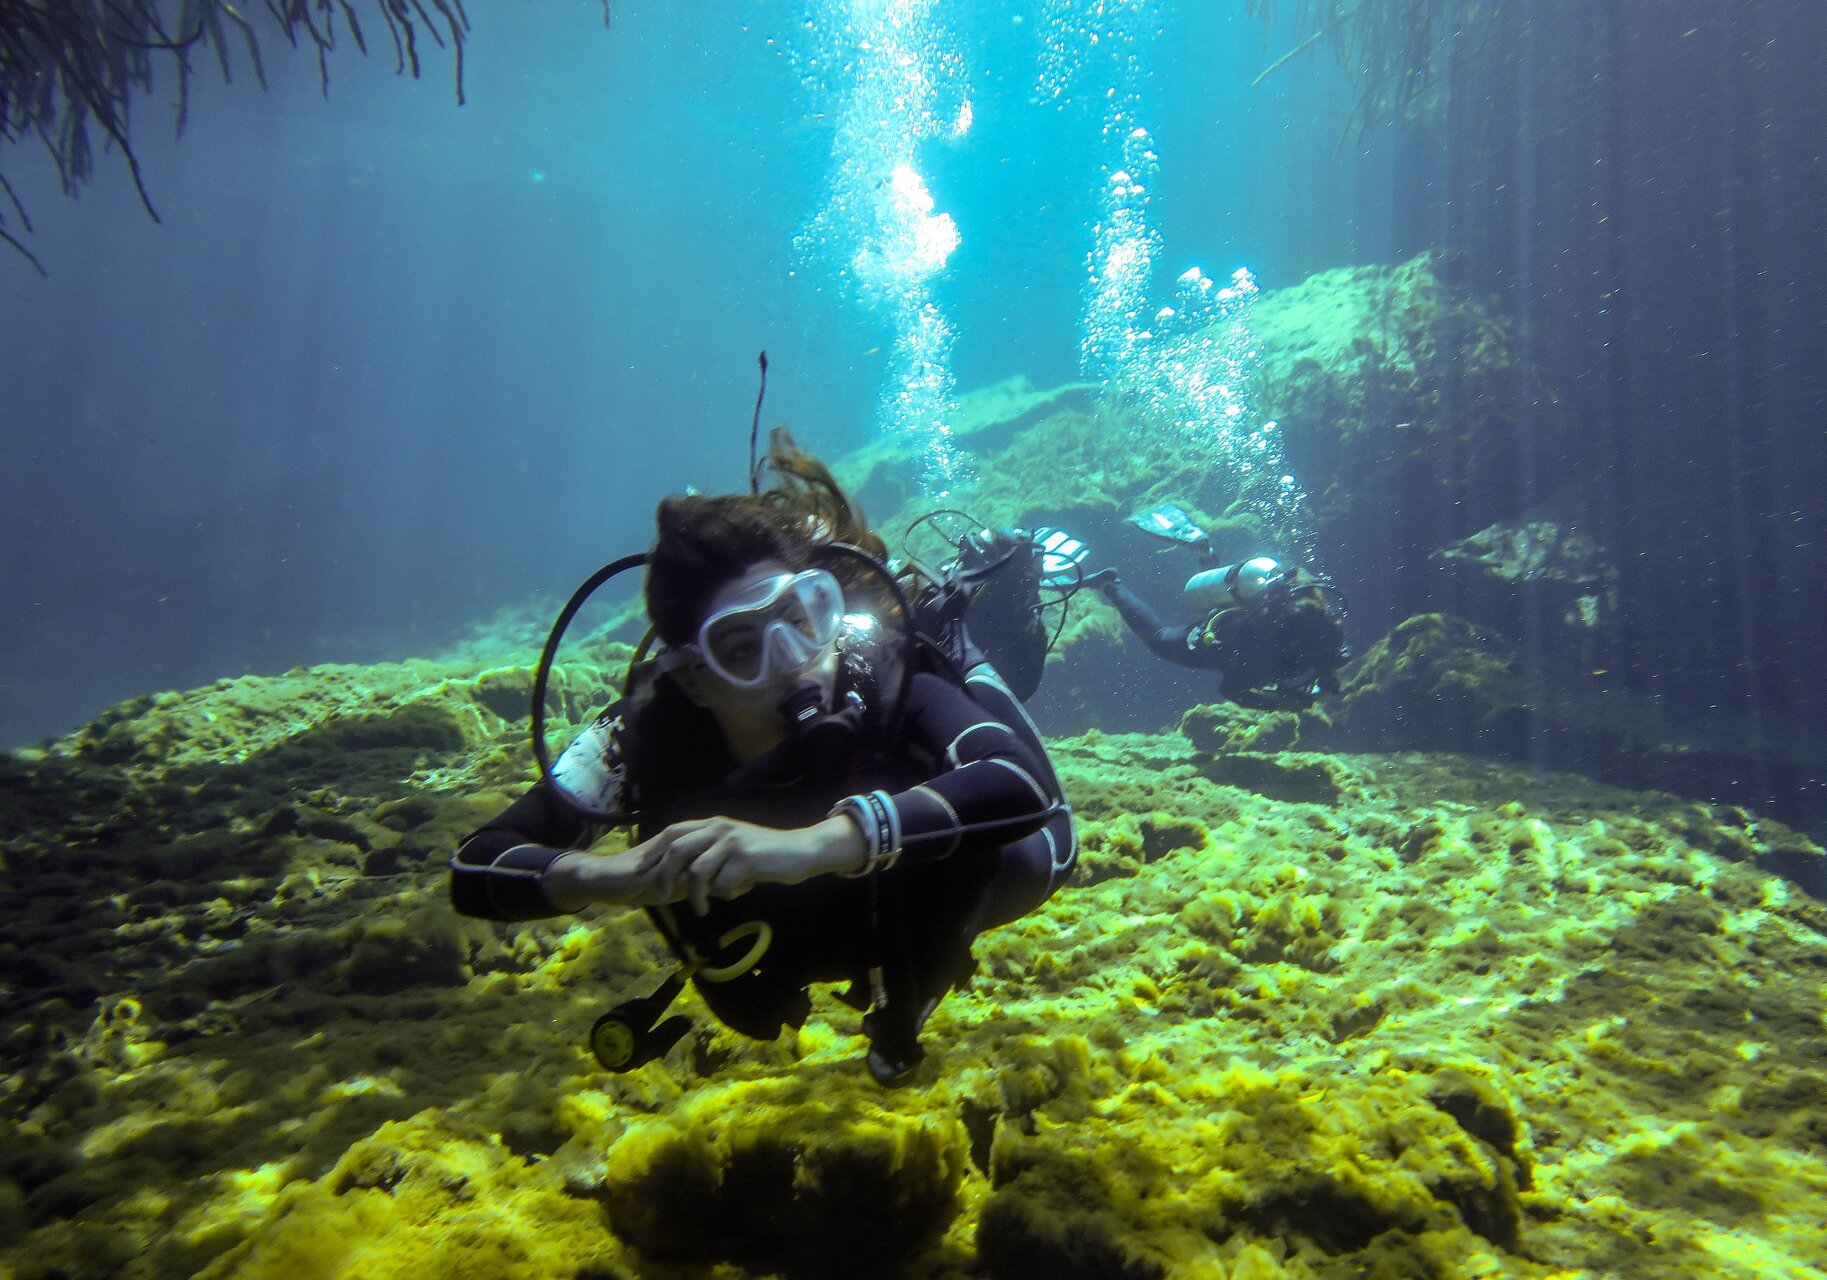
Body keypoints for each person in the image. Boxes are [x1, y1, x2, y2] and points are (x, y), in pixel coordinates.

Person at [448, 432, 1075, 1086]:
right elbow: (474, 864)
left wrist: (807, 847)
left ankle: (957, 635)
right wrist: (612, 875)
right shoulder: (645, 736)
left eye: (802, 618)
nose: (795, 663)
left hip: (919, 886)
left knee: (1045, 856)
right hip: (809, 929)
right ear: (692, 677)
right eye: (741, 650)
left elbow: (1020, 786)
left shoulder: (882, 678)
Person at [1076, 505, 1349, 711]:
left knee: (1225, 599)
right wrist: (1279, 703)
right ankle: (1110, 584)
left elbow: (1325, 655)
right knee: (1159, 639)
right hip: (1221, 634)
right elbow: (1232, 691)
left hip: (1245, 604)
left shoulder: (1319, 625)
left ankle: (1206, 556)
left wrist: (1322, 679)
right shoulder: (1265, 657)